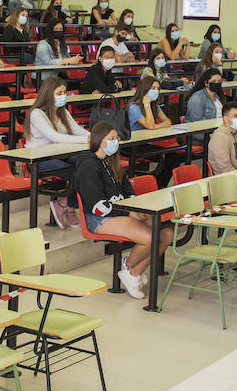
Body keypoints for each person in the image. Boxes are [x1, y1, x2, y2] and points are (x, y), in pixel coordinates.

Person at [74, 122, 173, 299]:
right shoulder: (88, 165)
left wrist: (136, 209)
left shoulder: (112, 162)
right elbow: (97, 205)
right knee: (151, 237)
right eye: (111, 138)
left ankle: (133, 272)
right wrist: (128, 212)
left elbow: (129, 191)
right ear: (98, 140)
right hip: (99, 218)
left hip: (121, 212)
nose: (115, 142)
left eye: (116, 138)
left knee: (166, 234)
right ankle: (129, 267)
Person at [25, 77, 90, 228]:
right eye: (58, 93)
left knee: (87, 167)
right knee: (76, 173)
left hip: (60, 155)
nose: (63, 96)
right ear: (48, 94)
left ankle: (64, 204)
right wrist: (86, 140)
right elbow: (55, 137)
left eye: (64, 92)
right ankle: (68, 206)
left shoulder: (63, 112)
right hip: (38, 160)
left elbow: (78, 131)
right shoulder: (37, 114)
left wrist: (96, 137)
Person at [210, 102, 237, 174]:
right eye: (236, 116)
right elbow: (225, 169)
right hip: (226, 180)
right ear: (226, 119)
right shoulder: (219, 138)